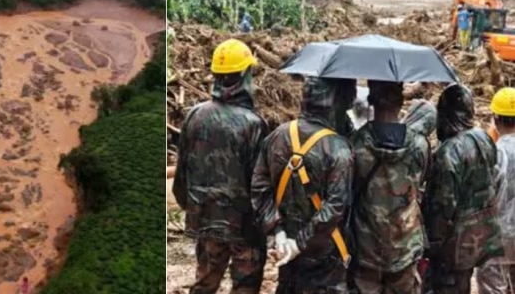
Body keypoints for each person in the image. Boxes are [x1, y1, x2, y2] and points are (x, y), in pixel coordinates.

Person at [173, 38, 268, 294]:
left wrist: (191, 208)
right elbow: (259, 184)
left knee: (204, 282)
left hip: (205, 219)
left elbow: (182, 174)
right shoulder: (254, 124)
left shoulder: (194, 114)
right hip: (243, 226)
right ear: (245, 75)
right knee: (245, 286)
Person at [251, 77, 356, 294]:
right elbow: (336, 206)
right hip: (325, 257)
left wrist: (278, 233)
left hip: (286, 248)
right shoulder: (339, 149)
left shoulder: (277, 136)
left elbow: (259, 188)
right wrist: (300, 245)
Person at [349, 81, 432, 294]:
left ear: (371, 101)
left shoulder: (356, 144)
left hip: (365, 248)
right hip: (405, 246)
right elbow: (420, 181)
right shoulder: (420, 145)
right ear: (402, 101)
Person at [423, 83, 504, 294]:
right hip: (481, 235)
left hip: (454, 243)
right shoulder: (484, 138)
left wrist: (431, 244)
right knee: (463, 283)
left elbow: (443, 206)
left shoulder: (448, 153)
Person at [476, 87, 515, 293]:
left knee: (493, 287)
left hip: (497, 237)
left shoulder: (494, 153)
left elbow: (483, 197)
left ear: (495, 118)